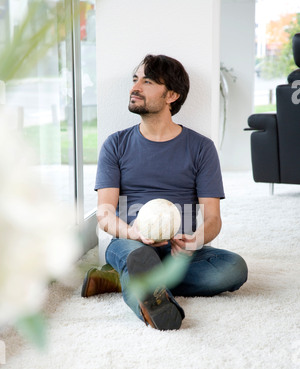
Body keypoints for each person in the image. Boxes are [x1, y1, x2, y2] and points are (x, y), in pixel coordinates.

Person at [81, 54, 248, 331]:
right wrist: (132, 233)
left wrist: (194, 241)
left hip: (179, 252)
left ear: (171, 95)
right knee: (136, 258)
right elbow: (105, 213)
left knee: (233, 267)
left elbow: (213, 219)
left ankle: (120, 278)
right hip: (132, 244)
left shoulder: (201, 148)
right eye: (135, 80)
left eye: (147, 81)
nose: (135, 87)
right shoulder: (116, 144)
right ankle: (150, 296)